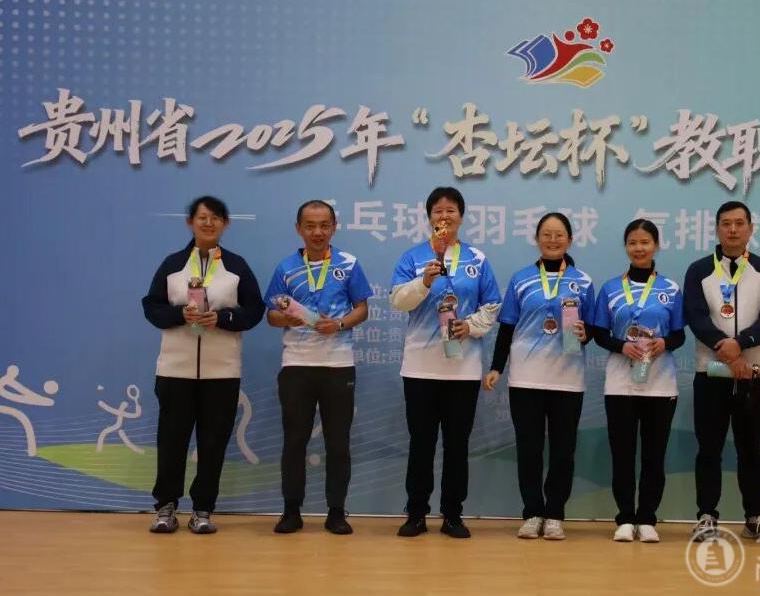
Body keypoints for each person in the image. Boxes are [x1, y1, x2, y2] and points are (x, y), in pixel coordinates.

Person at [141, 195, 265, 534]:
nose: (209, 223)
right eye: (202, 217)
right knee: (172, 441)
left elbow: (255, 310)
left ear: (225, 224)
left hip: (221, 372)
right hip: (175, 370)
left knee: (213, 443)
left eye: (216, 218)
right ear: (190, 222)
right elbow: (151, 306)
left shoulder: (237, 266)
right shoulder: (173, 264)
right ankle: (165, 507)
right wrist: (179, 314)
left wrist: (223, 318)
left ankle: (203, 510)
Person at [389, 187, 501, 538]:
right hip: (420, 368)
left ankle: (453, 514)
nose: (444, 216)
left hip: (463, 370)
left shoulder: (477, 259)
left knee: (457, 445)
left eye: (451, 210)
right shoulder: (413, 257)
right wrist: (424, 281)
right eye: (438, 210)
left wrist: (471, 325)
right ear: (429, 218)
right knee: (421, 444)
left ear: (461, 217)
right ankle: (416, 513)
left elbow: (492, 305)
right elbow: (397, 301)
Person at [484, 212, 596, 541]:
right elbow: (507, 328)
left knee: (563, 451)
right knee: (529, 449)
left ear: (570, 240)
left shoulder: (583, 281)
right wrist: (497, 367)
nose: (553, 240)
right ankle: (533, 512)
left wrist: (585, 334)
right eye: (546, 234)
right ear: (537, 239)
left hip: (567, 379)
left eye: (559, 235)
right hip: (526, 379)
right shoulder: (521, 279)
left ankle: (555, 513)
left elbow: (594, 329)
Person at [265, 200, 373, 535]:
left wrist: (338, 324)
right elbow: (271, 315)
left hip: (338, 365)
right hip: (296, 364)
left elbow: (362, 309)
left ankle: (336, 512)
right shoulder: (286, 268)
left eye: (324, 225)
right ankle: (291, 511)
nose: (317, 232)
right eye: (310, 226)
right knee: (294, 441)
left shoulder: (349, 264)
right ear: (299, 228)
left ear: (334, 227)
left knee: (338, 442)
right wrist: (289, 318)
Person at [683, 201, 760, 542]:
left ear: (750, 229)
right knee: (708, 449)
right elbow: (696, 316)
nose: (733, 229)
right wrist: (723, 347)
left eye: (740, 223)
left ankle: (755, 516)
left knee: (750, 449)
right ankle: (706, 515)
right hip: (710, 374)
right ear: (716, 229)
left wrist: (740, 343)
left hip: (752, 376)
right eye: (726, 223)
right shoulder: (699, 270)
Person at [591, 219, 685, 543]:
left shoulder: (670, 289)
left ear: (656, 246)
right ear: (626, 247)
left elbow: (679, 335)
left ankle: (647, 518)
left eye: (645, 242)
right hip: (620, 383)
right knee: (622, 454)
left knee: (654, 456)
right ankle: (624, 518)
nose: (639, 248)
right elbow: (599, 333)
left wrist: (663, 343)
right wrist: (622, 346)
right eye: (633, 242)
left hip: (660, 383)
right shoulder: (610, 289)